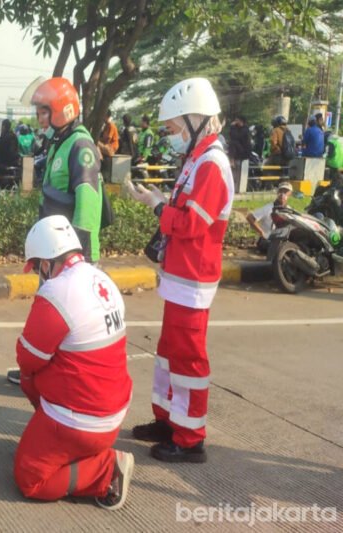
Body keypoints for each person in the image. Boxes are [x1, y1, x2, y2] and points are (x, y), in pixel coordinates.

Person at [126, 77, 234, 463]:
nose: (171, 136)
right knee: (169, 353)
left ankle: (190, 438)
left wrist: (156, 205)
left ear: (195, 120)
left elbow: (191, 225)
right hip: (181, 276)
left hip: (194, 278)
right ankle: (169, 420)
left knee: (187, 357)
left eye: (173, 129)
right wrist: (155, 201)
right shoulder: (196, 159)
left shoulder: (211, 165)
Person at [13, 216, 133, 510]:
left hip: (82, 420)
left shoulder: (56, 292)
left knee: (30, 479)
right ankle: (69, 448)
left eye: (37, 266)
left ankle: (107, 469)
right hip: (112, 410)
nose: (39, 275)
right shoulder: (102, 279)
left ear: (46, 262)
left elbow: (27, 358)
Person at [31, 77, 103, 263]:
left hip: (73, 253)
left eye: (43, 114)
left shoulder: (80, 146)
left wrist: (77, 255)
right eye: (37, 114)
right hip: (56, 247)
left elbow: (87, 204)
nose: (40, 120)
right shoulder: (58, 144)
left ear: (62, 111)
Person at [246, 182, 292, 254]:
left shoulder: (290, 210)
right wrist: (261, 232)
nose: (283, 194)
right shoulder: (268, 208)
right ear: (277, 192)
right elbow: (250, 217)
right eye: (281, 191)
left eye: (285, 192)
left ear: (290, 194)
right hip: (267, 240)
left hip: (282, 242)